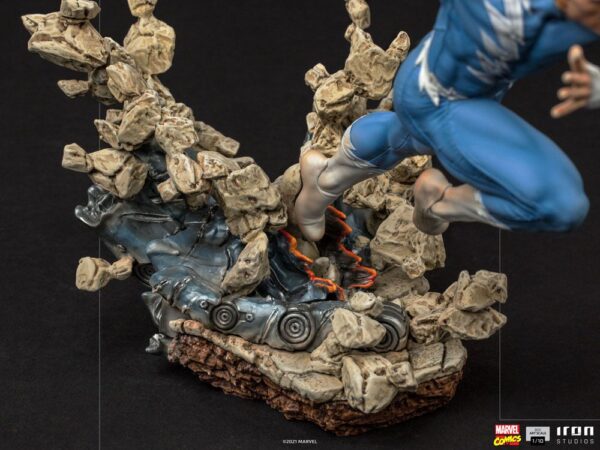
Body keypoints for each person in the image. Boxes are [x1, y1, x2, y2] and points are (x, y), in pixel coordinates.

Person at [295, 0, 600, 242]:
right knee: (561, 205)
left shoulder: (587, 16)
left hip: (478, 96)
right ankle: (438, 204)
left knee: (405, 137)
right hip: (435, 96)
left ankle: (325, 178)